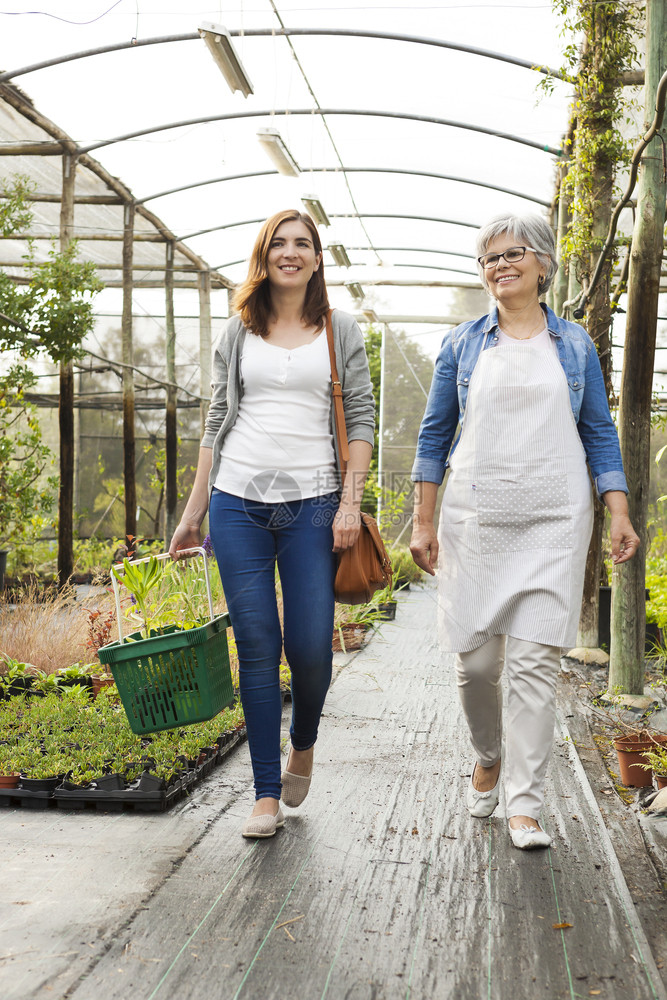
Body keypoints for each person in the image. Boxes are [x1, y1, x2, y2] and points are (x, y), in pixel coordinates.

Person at [409, 213, 639, 850]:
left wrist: (618, 510)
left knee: (535, 665)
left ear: (542, 264)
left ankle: (525, 804)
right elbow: (434, 437)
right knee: (477, 664)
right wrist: (423, 521)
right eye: (488, 258)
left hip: (555, 518)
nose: (500, 265)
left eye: (513, 254)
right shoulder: (462, 344)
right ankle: (488, 754)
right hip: (476, 521)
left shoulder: (574, 346)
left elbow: (597, 432)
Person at [169, 209, 374, 839]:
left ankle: (303, 744)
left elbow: (361, 419)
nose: (290, 253)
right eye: (279, 243)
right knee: (256, 646)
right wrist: (192, 514)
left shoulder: (340, 329)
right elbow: (215, 420)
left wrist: (349, 503)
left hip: (314, 506)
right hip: (239, 503)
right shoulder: (239, 330)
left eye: (302, 244)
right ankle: (263, 794)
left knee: (310, 647)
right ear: (265, 254)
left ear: (317, 258)